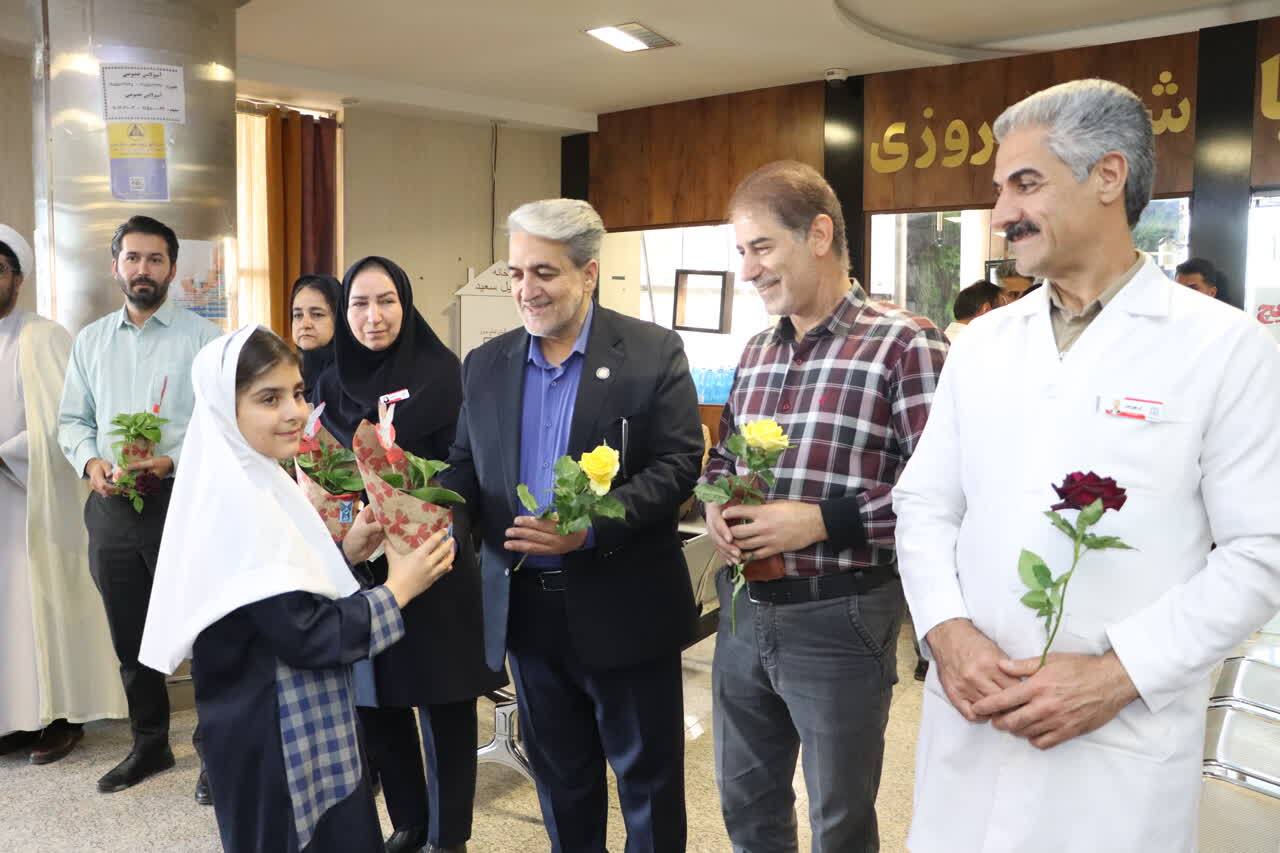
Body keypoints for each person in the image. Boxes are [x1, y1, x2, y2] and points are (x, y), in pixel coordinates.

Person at [893, 79, 1280, 853]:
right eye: (999, 189)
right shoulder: (984, 345)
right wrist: (947, 630)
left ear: (1109, 176)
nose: (1001, 214)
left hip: (1116, 748)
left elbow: (1261, 552)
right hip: (969, 728)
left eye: (1024, 184)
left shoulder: (1224, 347)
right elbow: (925, 505)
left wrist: (1117, 675)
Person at [441, 198, 702, 852]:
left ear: (588, 273)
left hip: (627, 605)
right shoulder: (486, 364)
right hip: (528, 615)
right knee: (563, 782)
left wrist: (587, 529)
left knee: (647, 785)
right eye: (517, 273)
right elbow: (465, 468)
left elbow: (677, 467)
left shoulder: (649, 352)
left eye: (545, 273)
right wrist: (422, 503)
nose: (526, 290)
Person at [702, 161, 948, 852]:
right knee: (747, 805)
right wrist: (718, 504)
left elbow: (944, 495)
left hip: (842, 616)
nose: (747, 270)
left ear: (818, 233)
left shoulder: (907, 343)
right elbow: (722, 461)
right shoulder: (756, 352)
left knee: (838, 820)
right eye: (741, 252)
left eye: (761, 248)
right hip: (747, 608)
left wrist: (819, 519)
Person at [138, 325, 457, 853]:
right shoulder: (238, 501)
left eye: (298, 392)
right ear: (224, 406)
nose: (293, 411)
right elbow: (306, 634)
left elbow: (276, 591)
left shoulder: (253, 476)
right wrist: (399, 588)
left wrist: (344, 552)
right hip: (276, 733)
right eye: (269, 398)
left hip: (282, 718)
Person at [314, 256, 502, 853]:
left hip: (437, 563)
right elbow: (317, 472)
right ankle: (410, 822)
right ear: (345, 314)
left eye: (387, 300)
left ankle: (449, 837)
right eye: (360, 304)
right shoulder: (328, 385)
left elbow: (469, 471)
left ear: (406, 304)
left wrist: (418, 513)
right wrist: (347, 519)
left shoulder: (446, 375)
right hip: (364, 568)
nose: (374, 316)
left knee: (444, 705)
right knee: (379, 702)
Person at [57, 215, 220, 798]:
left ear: (172, 268)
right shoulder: (91, 340)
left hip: (182, 502)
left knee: (204, 635)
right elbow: (72, 421)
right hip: (112, 507)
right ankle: (149, 744)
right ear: (116, 266)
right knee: (132, 636)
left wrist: (171, 461)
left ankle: (214, 755)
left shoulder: (204, 341)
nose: (143, 269)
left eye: (155, 259)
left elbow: (216, 425)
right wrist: (89, 461)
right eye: (133, 258)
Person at [0, 225, 126, 765]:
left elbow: (62, 424)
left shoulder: (41, 337)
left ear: (18, 279)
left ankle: (59, 717)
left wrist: (4, 451)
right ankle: (10, 721)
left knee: (37, 607)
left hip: (29, 503)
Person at [290, 274, 341, 397]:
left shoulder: (349, 379)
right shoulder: (283, 374)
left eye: (317, 314)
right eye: (298, 315)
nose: (305, 324)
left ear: (339, 319)